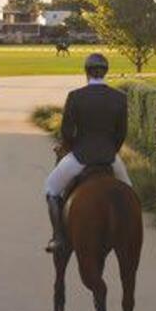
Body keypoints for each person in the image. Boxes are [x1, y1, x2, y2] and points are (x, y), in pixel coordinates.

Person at [43, 53, 132, 254]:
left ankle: (58, 238)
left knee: (51, 189)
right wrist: (110, 152)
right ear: (105, 72)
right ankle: (129, 236)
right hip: (110, 157)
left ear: (87, 72)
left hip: (80, 157)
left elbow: (67, 132)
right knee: (129, 193)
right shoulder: (119, 97)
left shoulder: (75, 96)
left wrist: (70, 147)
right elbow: (121, 133)